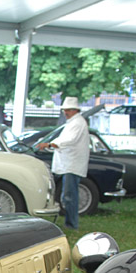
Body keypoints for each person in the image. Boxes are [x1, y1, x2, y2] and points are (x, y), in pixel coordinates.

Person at [37, 96, 89, 230]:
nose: (65, 113)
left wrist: (50, 144)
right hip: (67, 164)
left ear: (74, 110)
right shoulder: (73, 122)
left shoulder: (77, 123)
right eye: (64, 110)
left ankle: (71, 224)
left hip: (71, 165)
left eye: (68, 110)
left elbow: (69, 140)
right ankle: (68, 222)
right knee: (64, 195)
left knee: (69, 196)